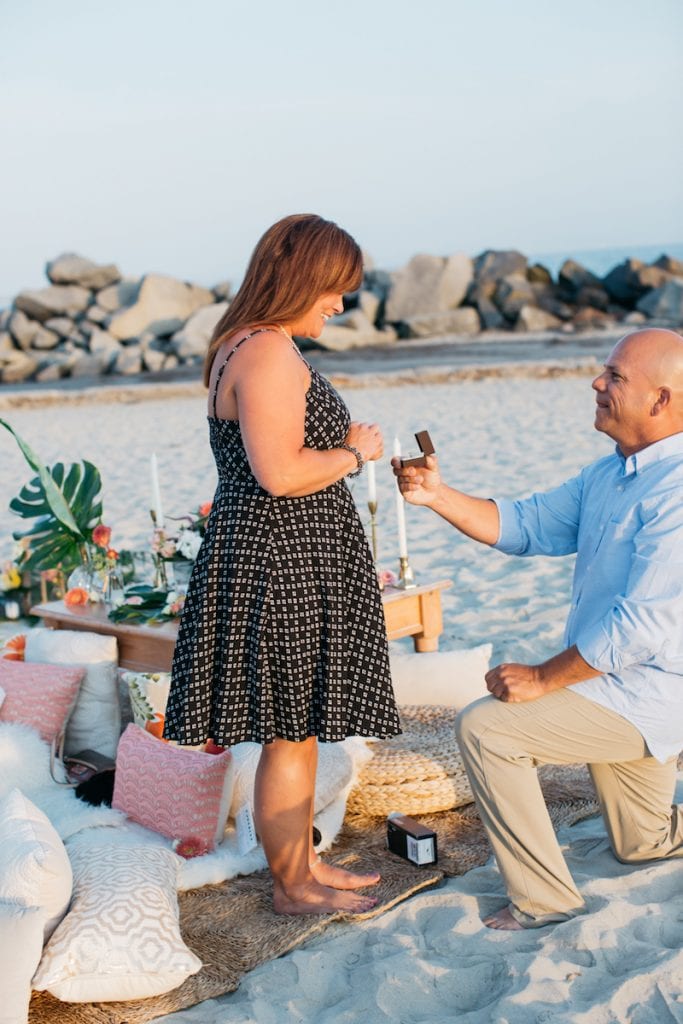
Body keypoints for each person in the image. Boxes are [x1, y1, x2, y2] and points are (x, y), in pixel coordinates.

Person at [392, 327, 683, 930]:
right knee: (640, 845)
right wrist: (438, 494)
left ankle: (544, 902)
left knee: (488, 728)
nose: (597, 384)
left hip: (650, 691)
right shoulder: (611, 474)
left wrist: (545, 678)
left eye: (616, 377)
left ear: (661, 401)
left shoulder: (677, 491)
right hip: (610, 679)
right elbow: (526, 525)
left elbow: (642, 627)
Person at [165, 214, 400, 915]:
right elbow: (279, 473)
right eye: (335, 289)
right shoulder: (266, 352)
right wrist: (355, 453)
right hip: (282, 562)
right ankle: (292, 885)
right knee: (289, 734)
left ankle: (300, 868)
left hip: (278, 555)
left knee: (290, 734)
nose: (340, 303)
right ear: (302, 277)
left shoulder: (245, 344)